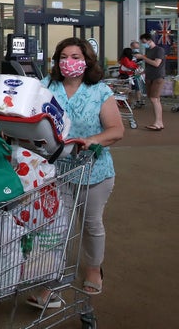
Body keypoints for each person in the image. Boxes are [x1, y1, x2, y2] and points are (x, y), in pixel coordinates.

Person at [27, 37, 124, 310]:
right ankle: (50, 280)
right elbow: (30, 115)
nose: (69, 62)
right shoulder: (46, 87)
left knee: (91, 223)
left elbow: (116, 130)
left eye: (76, 56)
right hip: (55, 171)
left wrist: (93, 140)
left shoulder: (99, 91)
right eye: (64, 56)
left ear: (87, 61)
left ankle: (93, 268)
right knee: (56, 227)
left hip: (94, 171)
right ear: (57, 61)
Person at [135, 33, 165, 130]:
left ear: (149, 40)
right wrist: (142, 72)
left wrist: (143, 57)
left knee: (154, 99)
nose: (143, 44)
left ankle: (158, 123)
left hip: (157, 76)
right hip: (149, 76)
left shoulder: (159, 50)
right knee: (155, 99)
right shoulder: (148, 50)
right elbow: (149, 65)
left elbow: (156, 64)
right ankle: (159, 122)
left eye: (144, 42)